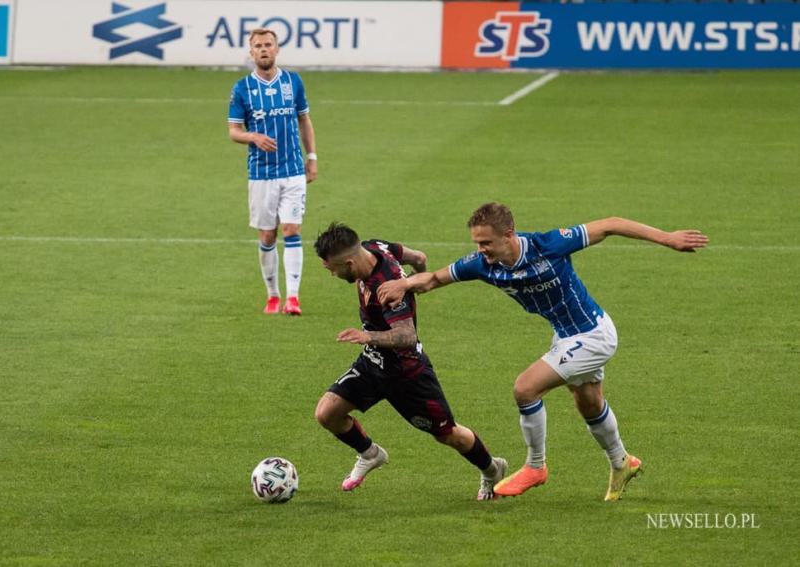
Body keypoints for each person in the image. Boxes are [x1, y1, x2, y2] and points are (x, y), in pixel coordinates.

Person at [378, 203, 708, 501]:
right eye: (477, 243)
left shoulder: (547, 245)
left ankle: (536, 467)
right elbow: (435, 278)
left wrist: (669, 239)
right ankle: (622, 462)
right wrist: (405, 284)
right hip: (565, 336)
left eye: (486, 243)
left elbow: (611, 223)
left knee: (525, 388)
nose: (480, 250)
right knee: (589, 404)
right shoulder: (482, 265)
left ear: (509, 235)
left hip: (593, 334)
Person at [313, 222, 508, 500]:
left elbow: (406, 335)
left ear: (349, 262)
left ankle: (492, 470)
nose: (332, 274)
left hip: (407, 375)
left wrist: (368, 335)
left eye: (332, 269)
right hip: (373, 364)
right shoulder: (373, 247)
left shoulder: (386, 288)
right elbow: (419, 258)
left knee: (448, 434)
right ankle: (370, 454)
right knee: (327, 413)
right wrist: (417, 282)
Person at [228, 28, 317, 316]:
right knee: (267, 236)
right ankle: (273, 296)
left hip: (292, 171)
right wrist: (253, 137)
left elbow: (304, 120)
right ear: (251, 52)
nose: (264, 49)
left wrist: (312, 157)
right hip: (261, 175)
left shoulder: (293, 81)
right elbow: (233, 131)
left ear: (277, 50)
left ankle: (293, 298)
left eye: (268, 45)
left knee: (292, 229)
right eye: (258, 46)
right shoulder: (242, 88)